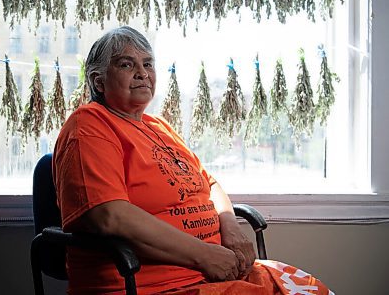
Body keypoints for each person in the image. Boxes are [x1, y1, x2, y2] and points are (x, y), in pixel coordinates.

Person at [54, 26, 332, 295]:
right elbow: (110, 216)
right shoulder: (89, 125)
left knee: (314, 289)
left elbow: (209, 184)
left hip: (215, 272)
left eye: (148, 64)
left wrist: (231, 228)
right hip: (158, 286)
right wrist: (204, 255)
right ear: (98, 81)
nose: (142, 74)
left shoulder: (158, 126)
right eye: (127, 65)